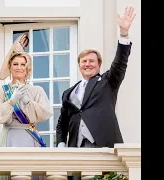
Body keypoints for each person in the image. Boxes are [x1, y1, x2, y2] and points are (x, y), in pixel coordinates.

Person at [55, 6, 136, 180]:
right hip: (75, 149)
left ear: (99, 64)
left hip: (102, 146)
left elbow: (120, 62)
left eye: (92, 61)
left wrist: (123, 33)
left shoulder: (108, 81)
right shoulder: (69, 92)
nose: (87, 64)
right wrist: (61, 144)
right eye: (84, 61)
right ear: (79, 65)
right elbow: (62, 122)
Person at [0, 32, 53, 179]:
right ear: (10, 67)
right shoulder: (2, 91)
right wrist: (12, 100)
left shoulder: (37, 90)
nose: (19, 67)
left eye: (22, 64)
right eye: (15, 64)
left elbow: (45, 113)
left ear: (28, 68)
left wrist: (27, 101)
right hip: (9, 137)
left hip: (29, 137)